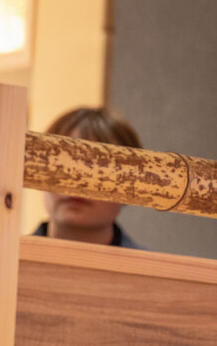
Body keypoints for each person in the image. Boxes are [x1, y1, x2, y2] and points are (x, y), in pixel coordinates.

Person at [34, 106, 143, 248]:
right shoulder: (2, 261)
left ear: (131, 185)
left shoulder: (153, 270)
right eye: (61, 164)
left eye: (99, 169)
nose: (76, 181)